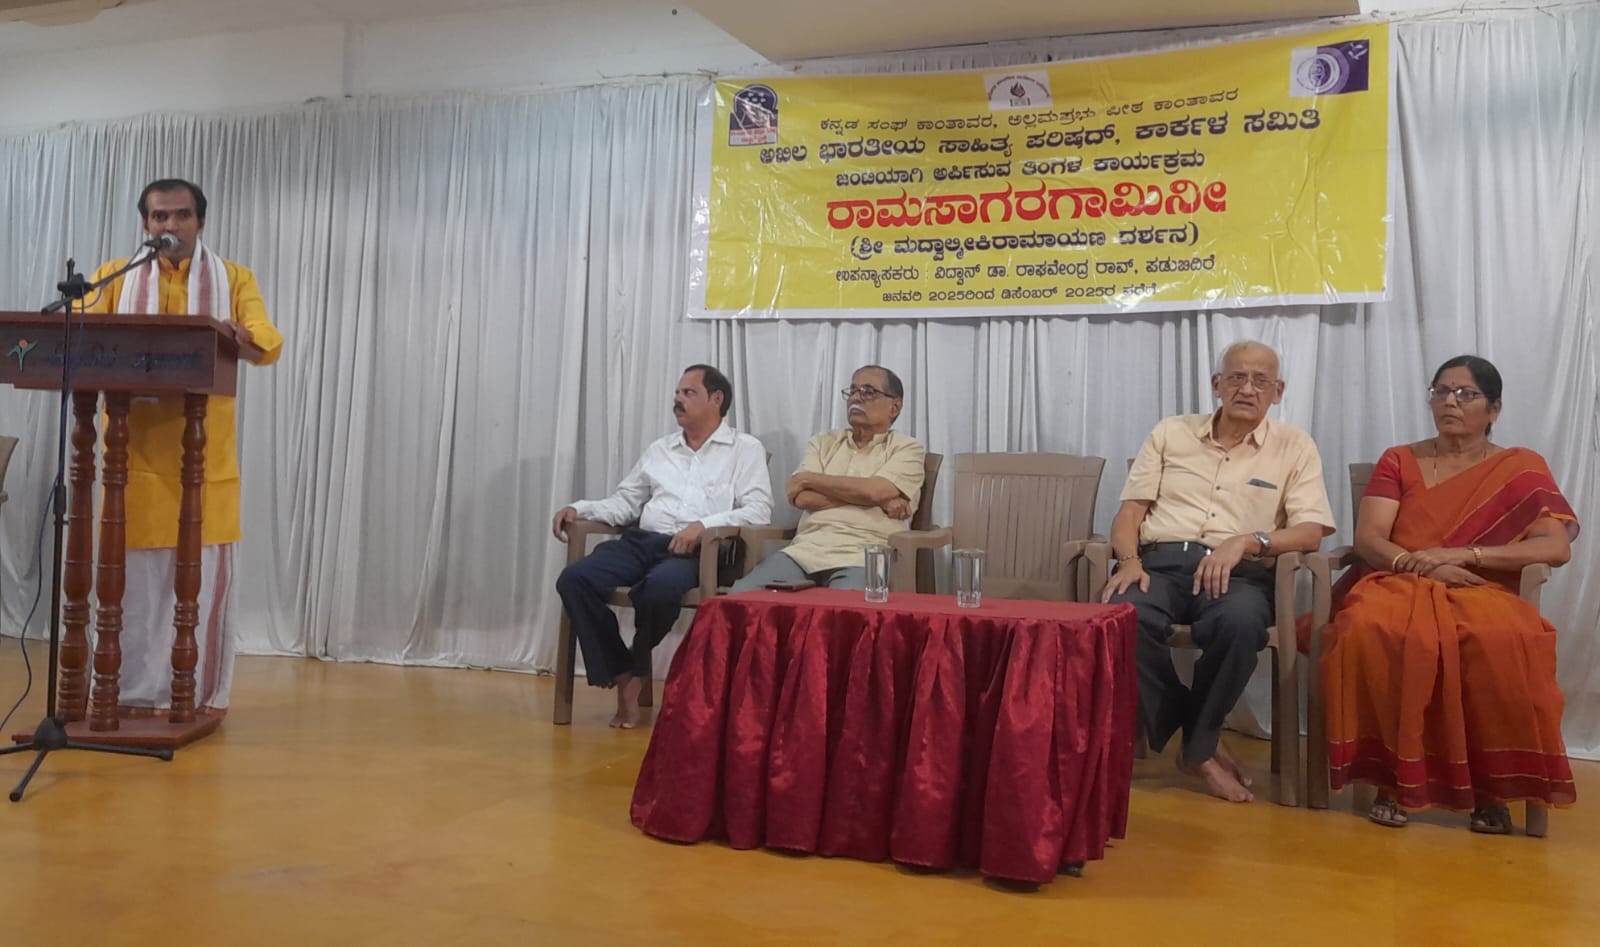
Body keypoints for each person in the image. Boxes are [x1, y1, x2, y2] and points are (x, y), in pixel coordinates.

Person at [1318, 355, 1578, 832]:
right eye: (1441, 391)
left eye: (1465, 394)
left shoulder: (1520, 467)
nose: (1450, 402)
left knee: (1502, 639)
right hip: (1398, 580)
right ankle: (1392, 781)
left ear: (1494, 409)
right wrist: (1417, 564)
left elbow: (1554, 547)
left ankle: (1489, 790)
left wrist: (1464, 556)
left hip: (1479, 586)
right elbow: (1370, 537)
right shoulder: (1399, 459)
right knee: (1372, 628)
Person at [1102, 341, 1334, 802]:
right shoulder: (1171, 432)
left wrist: (1248, 541)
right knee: (1121, 614)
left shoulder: (1295, 446)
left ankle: (1197, 745)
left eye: (1261, 381)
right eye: (1236, 378)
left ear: (1278, 391)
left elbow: (1311, 531)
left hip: (1239, 573)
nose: (1247, 389)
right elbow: (1130, 513)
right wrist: (1129, 560)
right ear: (1217, 385)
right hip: (1160, 564)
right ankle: (1200, 743)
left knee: (1241, 624)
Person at [83, 178, 284, 713]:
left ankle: (191, 696)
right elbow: (83, 337)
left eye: (180, 215)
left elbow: (266, 338)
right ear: (145, 224)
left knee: (194, 590)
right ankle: (127, 693)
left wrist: (245, 337)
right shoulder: (114, 277)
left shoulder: (233, 278)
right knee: (135, 594)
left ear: (200, 221)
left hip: (202, 464)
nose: (169, 225)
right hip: (132, 464)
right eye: (159, 217)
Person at [553, 365, 772, 728]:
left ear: (716, 399)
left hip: (700, 552)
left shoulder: (744, 449)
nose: (677, 399)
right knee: (575, 579)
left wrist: (703, 527)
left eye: (688, 393)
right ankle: (623, 670)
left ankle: (637, 668)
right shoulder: (661, 449)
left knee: (660, 588)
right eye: (677, 393)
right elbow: (626, 503)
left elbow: (759, 510)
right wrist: (581, 509)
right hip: (643, 541)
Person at [730, 365, 925, 592]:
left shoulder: (907, 448)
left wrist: (809, 479)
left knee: (843, 609)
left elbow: (875, 491)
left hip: (864, 554)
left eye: (868, 392)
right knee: (741, 596)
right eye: (852, 391)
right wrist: (875, 500)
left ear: (895, 407)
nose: (855, 398)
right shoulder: (823, 442)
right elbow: (800, 497)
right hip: (804, 551)